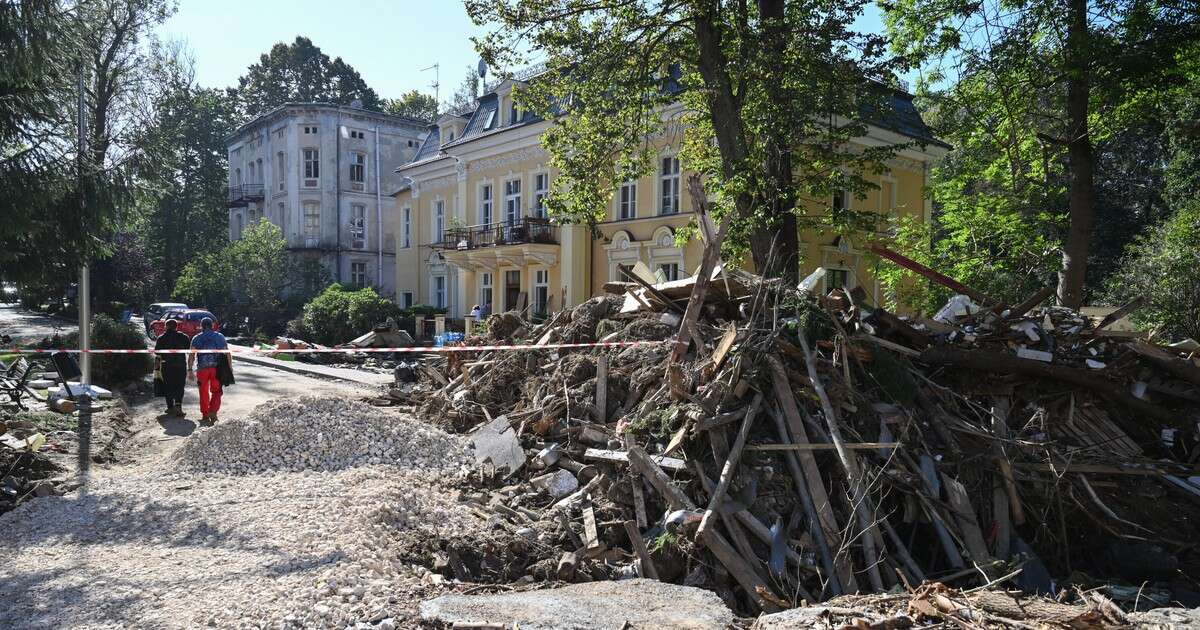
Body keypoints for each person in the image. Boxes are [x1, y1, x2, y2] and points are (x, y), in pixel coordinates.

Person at [187, 317, 228, 423]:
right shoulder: (220, 336)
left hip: (202, 369)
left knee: (203, 391)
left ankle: (205, 414)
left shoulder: (196, 338)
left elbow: (192, 355)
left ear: (201, 326)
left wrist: (190, 369)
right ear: (212, 325)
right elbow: (227, 353)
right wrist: (229, 367)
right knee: (217, 391)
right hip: (217, 368)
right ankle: (213, 411)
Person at [153, 319, 189, 416]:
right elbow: (188, 349)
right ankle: (178, 406)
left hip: (167, 365)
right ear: (176, 326)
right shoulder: (183, 337)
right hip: (180, 365)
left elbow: (157, 352)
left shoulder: (161, 338)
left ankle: (170, 407)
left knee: (168, 385)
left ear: (166, 326)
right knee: (180, 385)